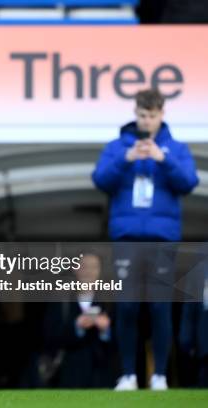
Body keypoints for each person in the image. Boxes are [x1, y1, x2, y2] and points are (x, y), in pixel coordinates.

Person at [92, 88, 199, 391]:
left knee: (159, 307)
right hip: (126, 238)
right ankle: (127, 374)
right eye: (142, 115)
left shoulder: (175, 148)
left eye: (152, 116)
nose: (146, 121)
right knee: (126, 306)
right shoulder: (117, 146)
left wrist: (163, 159)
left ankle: (160, 375)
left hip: (162, 239)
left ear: (162, 114)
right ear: (135, 113)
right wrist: (125, 159)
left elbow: (189, 182)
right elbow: (100, 179)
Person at [43, 254, 116, 388]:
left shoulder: (110, 300)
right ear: (75, 269)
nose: (89, 272)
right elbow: (49, 336)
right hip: (69, 377)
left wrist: (106, 331)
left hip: (102, 378)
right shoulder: (61, 299)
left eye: (94, 267)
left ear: (100, 271)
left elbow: (125, 340)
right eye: (84, 267)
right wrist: (76, 327)